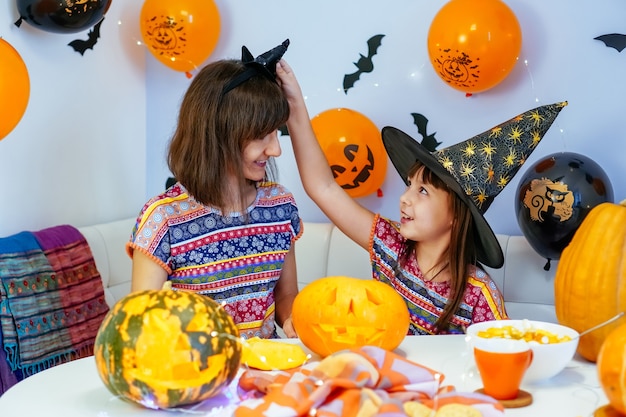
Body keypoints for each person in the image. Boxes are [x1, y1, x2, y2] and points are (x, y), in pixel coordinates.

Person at [276, 59, 567, 334]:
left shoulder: (478, 295)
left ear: (456, 213)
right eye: (409, 186)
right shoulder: (391, 247)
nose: (404, 198)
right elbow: (323, 188)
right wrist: (295, 105)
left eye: (423, 190)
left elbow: (501, 358)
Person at [126, 40, 301, 339]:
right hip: (198, 376)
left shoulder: (280, 205)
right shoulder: (163, 218)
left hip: (267, 373)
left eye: (276, 132)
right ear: (217, 134)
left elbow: (286, 298)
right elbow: (139, 327)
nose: (275, 150)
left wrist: (296, 321)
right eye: (261, 135)